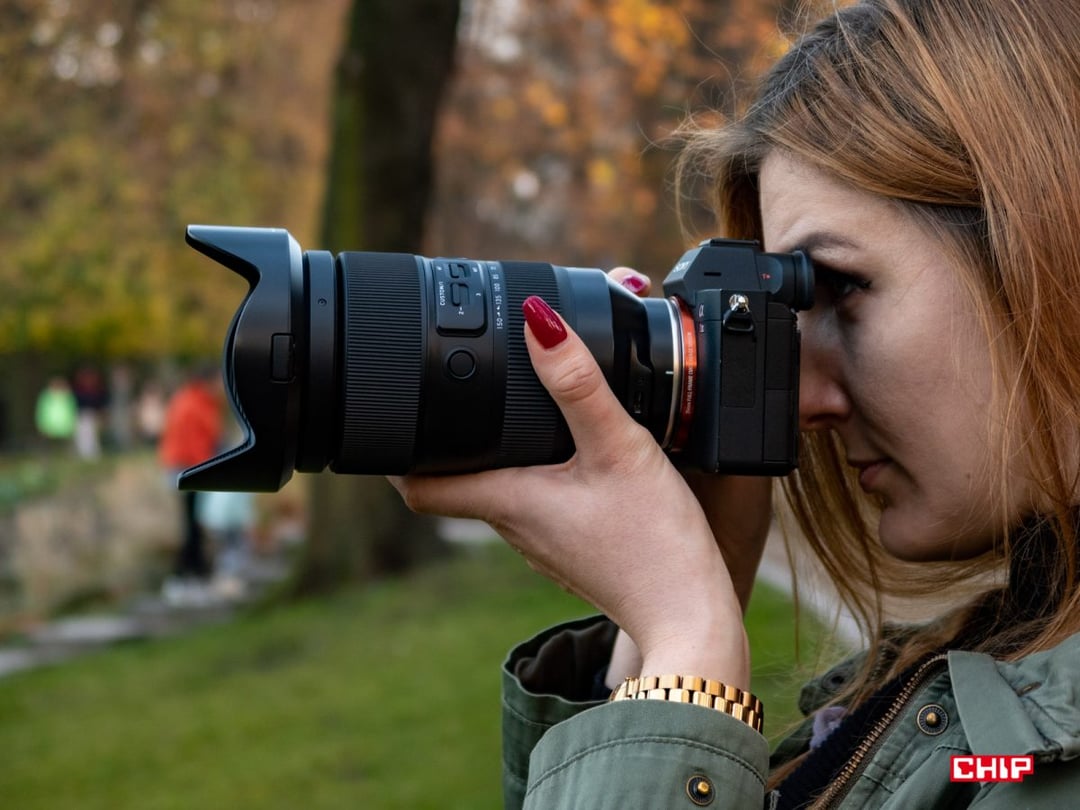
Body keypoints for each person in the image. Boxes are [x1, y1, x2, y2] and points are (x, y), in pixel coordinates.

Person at [391, 0, 1080, 806]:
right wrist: (649, 653)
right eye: (785, 312)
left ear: (1051, 241)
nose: (804, 403)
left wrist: (689, 647)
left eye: (842, 289)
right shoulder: (1001, 679)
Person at [158, 365, 223, 603]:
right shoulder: (194, 404)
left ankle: (194, 574)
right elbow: (193, 442)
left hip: (188, 468)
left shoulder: (193, 400)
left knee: (194, 524)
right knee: (193, 525)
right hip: (189, 469)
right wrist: (207, 469)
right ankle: (188, 575)